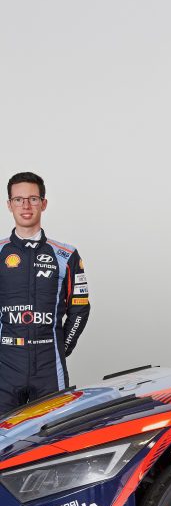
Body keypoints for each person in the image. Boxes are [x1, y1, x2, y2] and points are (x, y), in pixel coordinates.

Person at [0, 172, 90, 414]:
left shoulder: (66, 254)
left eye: (33, 199)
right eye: (18, 200)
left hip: (49, 365)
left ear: (44, 203)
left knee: (54, 432)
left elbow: (80, 308)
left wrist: (61, 347)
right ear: (9, 205)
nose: (26, 206)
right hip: (5, 365)